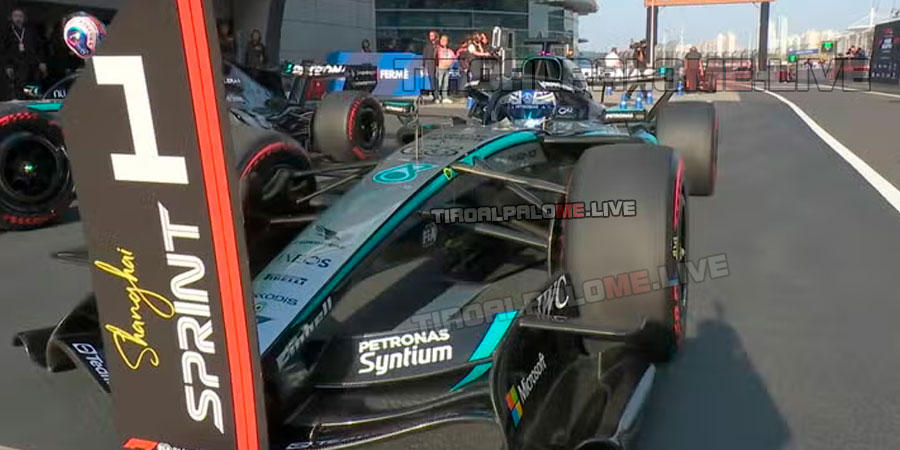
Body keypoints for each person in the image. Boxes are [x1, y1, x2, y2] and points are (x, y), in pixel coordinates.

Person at [2, 8, 46, 100]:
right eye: (15, 16)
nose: (18, 18)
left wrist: (42, 62)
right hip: (17, 65)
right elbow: (5, 51)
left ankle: (32, 104)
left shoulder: (31, 31)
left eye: (20, 16)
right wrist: (8, 65)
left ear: (24, 18)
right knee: (20, 90)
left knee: (33, 91)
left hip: (32, 64)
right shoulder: (7, 32)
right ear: (11, 18)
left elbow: (39, 47)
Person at [435, 35, 456, 104]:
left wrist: (450, 63)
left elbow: (453, 58)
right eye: (442, 40)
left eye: (445, 40)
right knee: (439, 84)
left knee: (445, 84)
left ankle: (445, 97)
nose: (444, 42)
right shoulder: (438, 49)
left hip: (447, 69)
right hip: (440, 68)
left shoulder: (449, 51)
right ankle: (437, 97)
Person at [422, 30, 438, 102]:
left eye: (432, 35)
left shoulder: (438, 44)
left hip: (439, 63)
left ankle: (439, 95)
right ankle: (434, 95)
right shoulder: (427, 45)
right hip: (430, 63)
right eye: (430, 36)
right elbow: (425, 55)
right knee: (432, 79)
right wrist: (423, 65)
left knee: (438, 80)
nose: (431, 37)